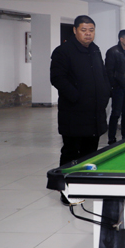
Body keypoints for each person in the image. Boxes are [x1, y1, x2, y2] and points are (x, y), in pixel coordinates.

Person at [50, 15, 111, 166]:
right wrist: (77, 97)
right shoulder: (63, 51)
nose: (88, 33)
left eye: (91, 30)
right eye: (83, 30)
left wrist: (105, 94)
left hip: (95, 112)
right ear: (75, 30)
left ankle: (86, 179)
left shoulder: (95, 50)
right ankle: (65, 179)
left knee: (90, 153)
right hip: (74, 113)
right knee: (71, 152)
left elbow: (103, 74)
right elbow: (57, 78)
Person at [105, 29, 125, 144]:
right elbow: (109, 71)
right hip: (118, 88)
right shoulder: (113, 51)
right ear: (121, 39)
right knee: (116, 113)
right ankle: (111, 138)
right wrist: (114, 85)